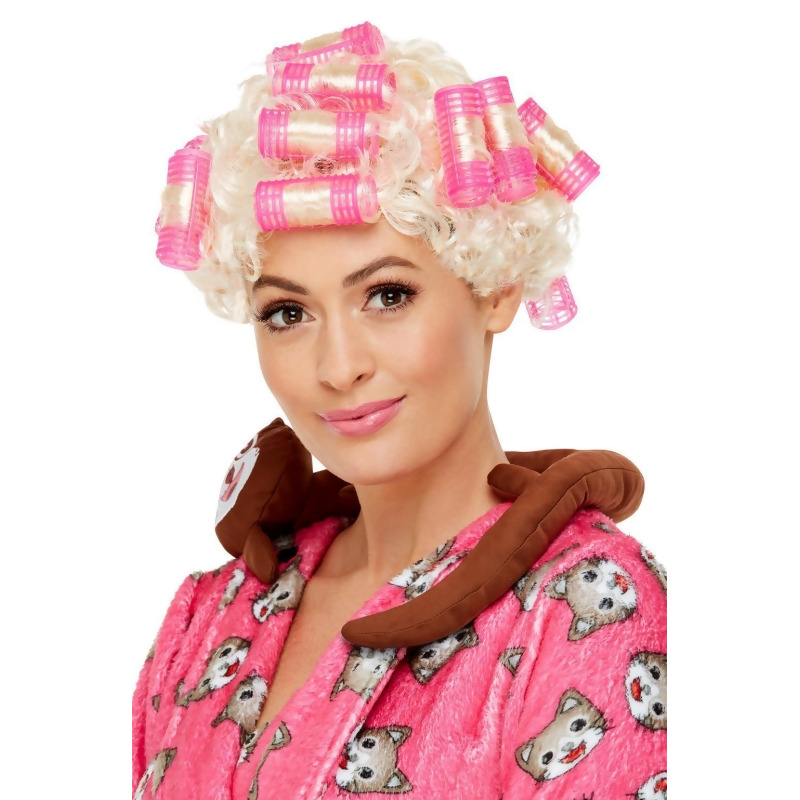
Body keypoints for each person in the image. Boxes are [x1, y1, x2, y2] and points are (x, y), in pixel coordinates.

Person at [134, 22, 667, 799]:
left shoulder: (587, 604)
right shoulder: (209, 614)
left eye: (387, 295)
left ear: (494, 286)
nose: (338, 366)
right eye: (288, 313)